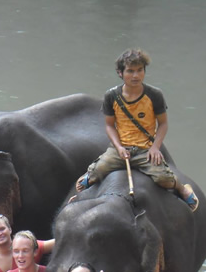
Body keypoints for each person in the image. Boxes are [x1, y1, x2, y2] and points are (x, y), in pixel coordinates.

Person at [76, 49, 199, 211]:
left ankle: (183, 188)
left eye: (140, 70)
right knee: (98, 171)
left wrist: (155, 147)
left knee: (163, 178)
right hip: (120, 148)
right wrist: (119, 147)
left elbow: (162, 124)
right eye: (130, 71)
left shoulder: (154, 95)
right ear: (120, 73)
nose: (135, 76)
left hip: (145, 149)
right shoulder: (111, 96)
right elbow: (109, 125)